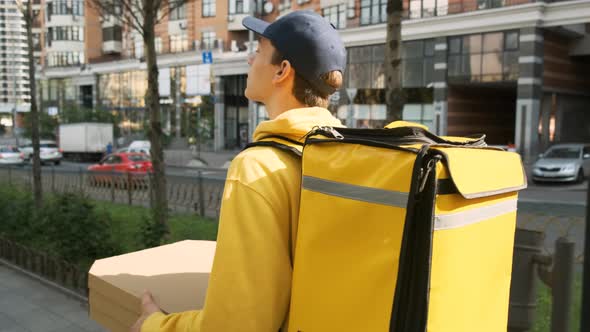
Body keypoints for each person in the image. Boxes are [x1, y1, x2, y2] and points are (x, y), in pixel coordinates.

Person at [131, 10, 346, 332]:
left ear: (282, 71)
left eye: (258, 52)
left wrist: (154, 325)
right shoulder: (343, 153)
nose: (250, 61)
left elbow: (238, 324)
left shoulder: (258, 168)